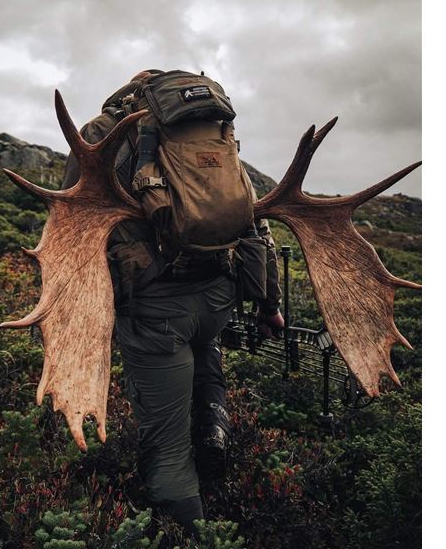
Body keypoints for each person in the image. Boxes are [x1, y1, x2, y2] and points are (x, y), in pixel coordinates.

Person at [61, 70, 284, 536]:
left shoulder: (101, 134)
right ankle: (213, 432)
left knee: (166, 447)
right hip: (218, 294)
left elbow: (72, 229)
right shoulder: (213, 132)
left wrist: (78, 320)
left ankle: (194, 535)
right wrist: (269, 304)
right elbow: (252, 222)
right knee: (206, 352)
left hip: (156, 310)